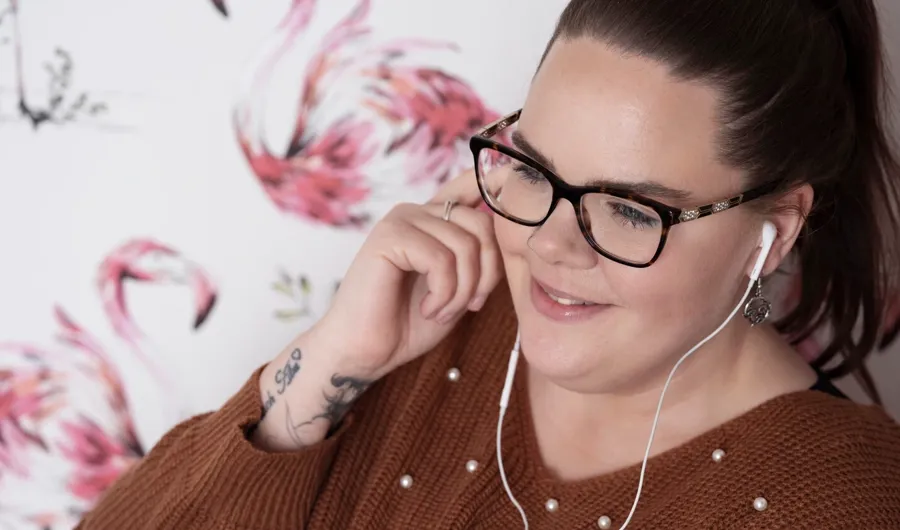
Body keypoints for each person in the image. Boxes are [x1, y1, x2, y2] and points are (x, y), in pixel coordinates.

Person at [78, 0, 900, 528]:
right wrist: (329, 363)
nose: (549, 246)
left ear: (775, 232)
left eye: (628, 210)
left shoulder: (847, 501)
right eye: (535, 170)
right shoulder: (426, 326)